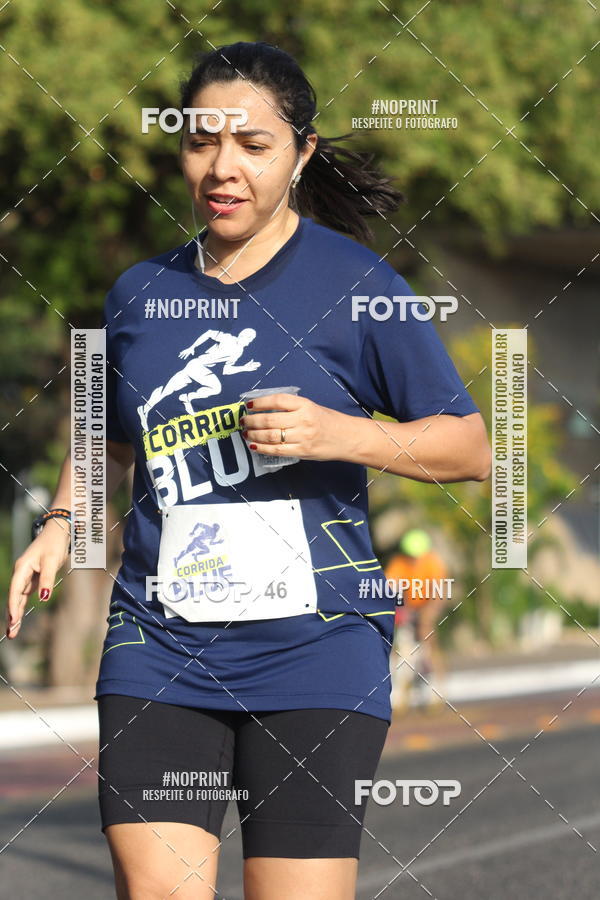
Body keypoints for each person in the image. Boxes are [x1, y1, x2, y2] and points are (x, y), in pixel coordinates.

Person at [6, 41, 491, 900]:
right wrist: (58, 526)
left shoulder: (359, 283)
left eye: (253, 146)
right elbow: (103, 434)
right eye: (201, 143)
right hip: (160, 641)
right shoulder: (136, 295)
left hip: (317, 646)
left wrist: (343, 433)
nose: (222, 168)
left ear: (301, 154)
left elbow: (470, 447)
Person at [385, 530, 450, 711]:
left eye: (417, 557)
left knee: (429, 643)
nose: (414, 560)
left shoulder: (432, 563)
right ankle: (399, 695)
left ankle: (437, 693)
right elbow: (391, 587)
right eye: (410, 556)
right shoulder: (399, 563)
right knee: (402, 648)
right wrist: (399, 611)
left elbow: (440, 594)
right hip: (408, 608)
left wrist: (427, 616)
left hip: (427, 606)